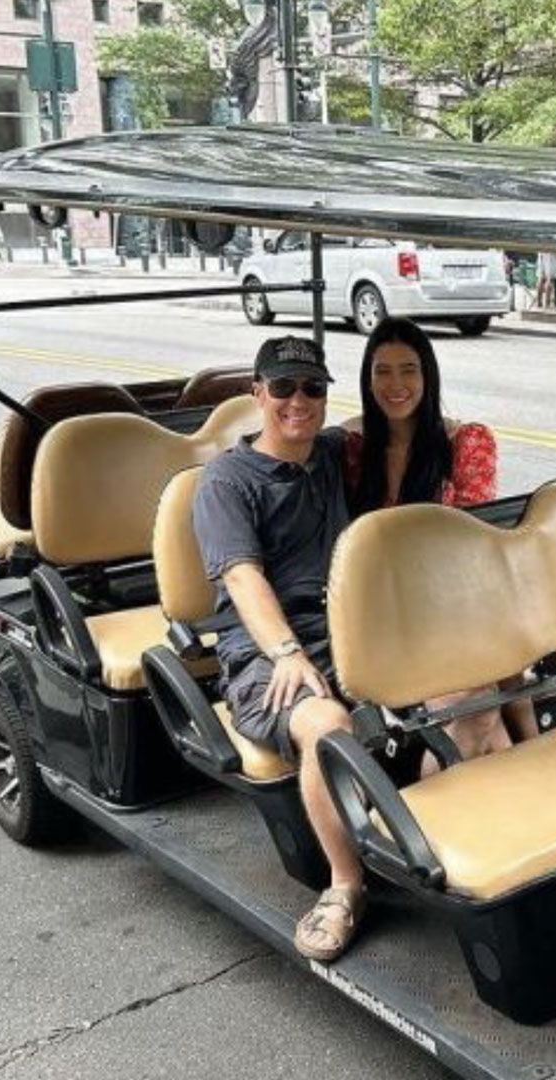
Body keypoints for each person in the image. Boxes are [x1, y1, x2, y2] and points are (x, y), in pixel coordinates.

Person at [192, 336, 365, 961]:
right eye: (284, 388)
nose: (299, 401)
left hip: (351, 628)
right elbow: (241, 577)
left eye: (313, 388)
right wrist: (288, 651)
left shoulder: (332, 453)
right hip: (265, 646)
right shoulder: (227, 481)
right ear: (257, 393)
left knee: (465, 687)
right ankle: (344, 884)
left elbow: (401, 417)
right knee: (325, 724)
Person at [343, 318, 528, 765]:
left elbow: (470, 546)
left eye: (409, 369)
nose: (395, 384)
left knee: (480, 710)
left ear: (428, 375)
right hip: (386, 615)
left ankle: (451, 814)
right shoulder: (353, 451)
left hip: (457, 605)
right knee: (484, 717)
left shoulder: (464, 443)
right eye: (381, 371)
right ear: (368, 379)